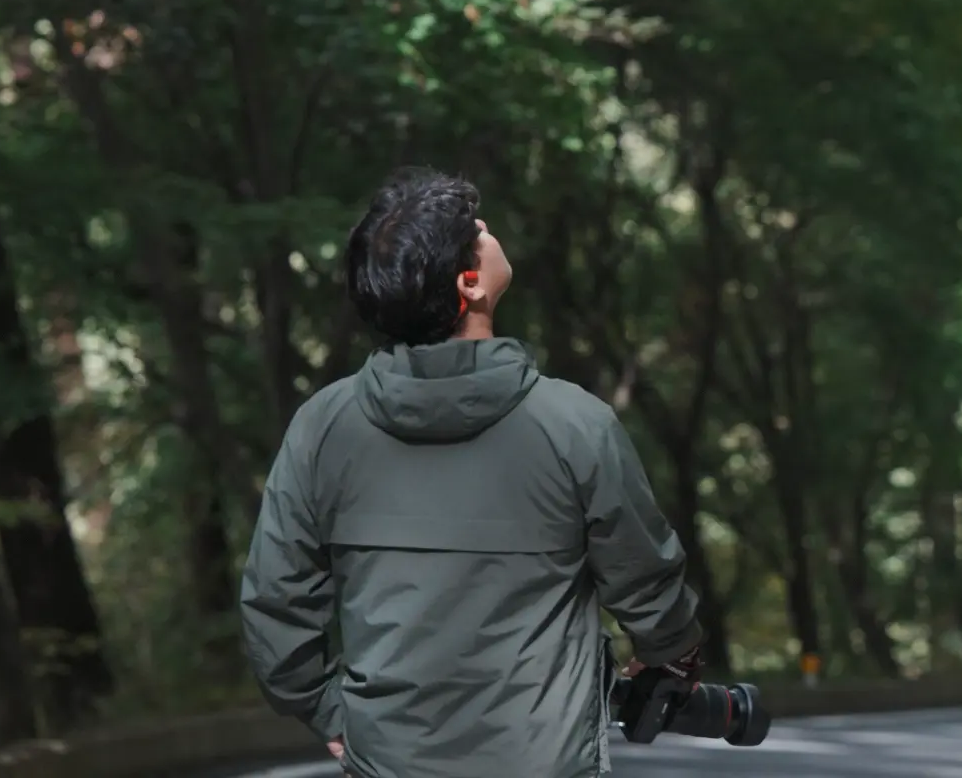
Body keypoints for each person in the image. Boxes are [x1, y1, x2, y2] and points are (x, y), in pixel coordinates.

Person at [239, 166, 702, 778]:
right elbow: (645, 581)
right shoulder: (572, 424)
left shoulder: (324, 428)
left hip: (387, 764)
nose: (485, 228)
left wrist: (328, 712)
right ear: (470, 283)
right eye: (473, 231)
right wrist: (671, 654)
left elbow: (276, 600)